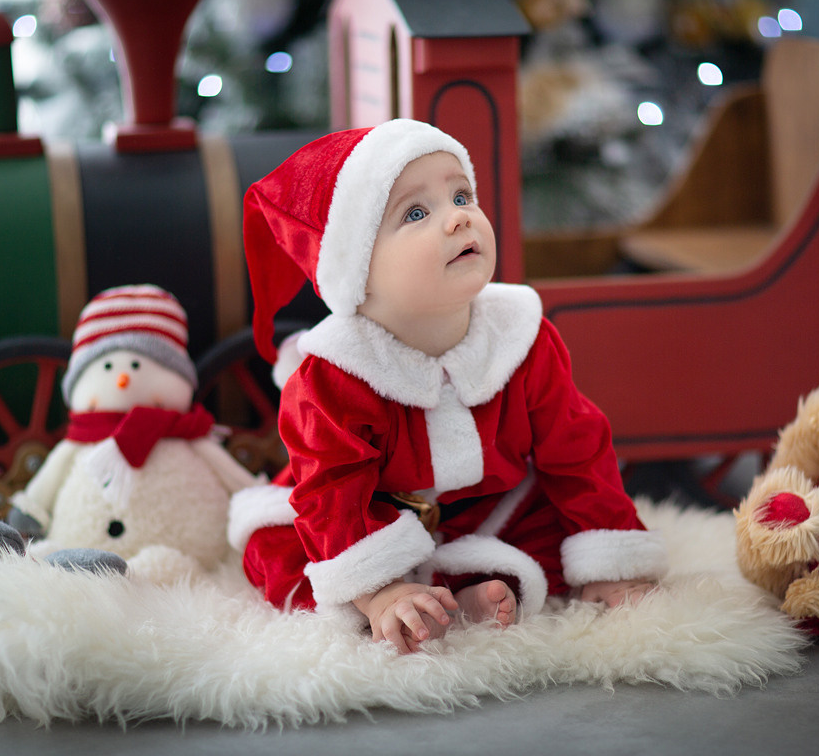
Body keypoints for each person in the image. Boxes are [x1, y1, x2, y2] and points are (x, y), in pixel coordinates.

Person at [229, 119, 667, 654]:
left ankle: (465, 596)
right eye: (416, 212)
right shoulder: (333, 376)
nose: (459, 216)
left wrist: (608, 559)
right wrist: (376, 589)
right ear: (357, 268)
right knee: (277, 550)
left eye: (462, 194)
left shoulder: (521, 337)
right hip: (367, 515)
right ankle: (406, 603)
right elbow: (332, 490)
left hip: (486, 507)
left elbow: (576, 449)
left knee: (556, 531)